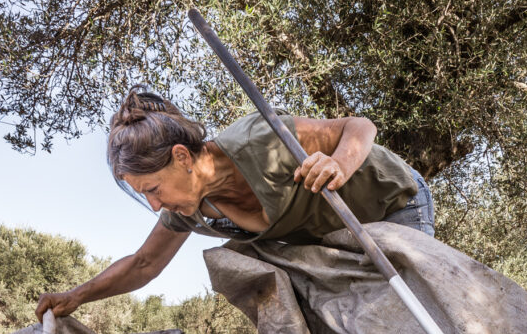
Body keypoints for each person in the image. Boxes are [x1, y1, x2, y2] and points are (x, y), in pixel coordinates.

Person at [35, 87, 435, 321]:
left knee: (410, 318)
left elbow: (358, 127)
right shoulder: (189, 209)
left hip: (391, 203)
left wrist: (338, 164)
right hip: (340, 237)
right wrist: (76, 296)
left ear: (181, 157)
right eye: (146, 196)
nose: (157, 205)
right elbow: (145, 264)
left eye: (154, 188)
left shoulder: (257, 141)